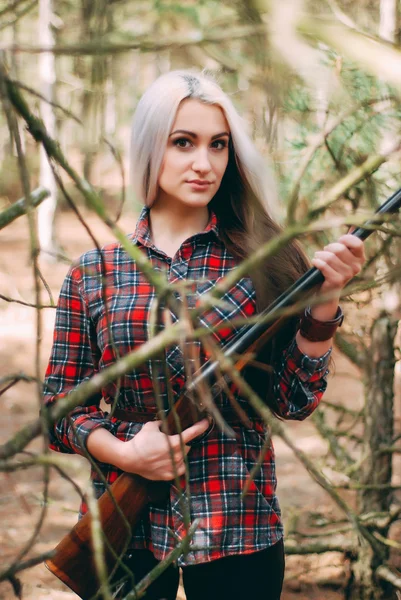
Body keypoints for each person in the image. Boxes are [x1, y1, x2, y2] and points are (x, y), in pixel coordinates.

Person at [43, 69, 366, 600]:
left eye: (218, 145)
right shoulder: (94, 272)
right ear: (151, 149)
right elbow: (60, 407)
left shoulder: (267, 261)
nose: (204, 162)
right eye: (183, 142)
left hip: (240, 527)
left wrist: (325, 301)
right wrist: (124, 454)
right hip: (129, 535)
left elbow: (294, 400)